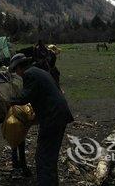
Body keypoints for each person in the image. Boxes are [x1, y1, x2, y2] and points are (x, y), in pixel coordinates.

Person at [9, 53, 74, 186]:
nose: (18, 74)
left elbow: (24, 97)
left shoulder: (29, 74)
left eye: (16, 70)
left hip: (52, 118)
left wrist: (8, 101)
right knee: (50, 156)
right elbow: (44, 97)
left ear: (20, 67)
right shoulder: (39, 71)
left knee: (43, 157)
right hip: (59, 116)